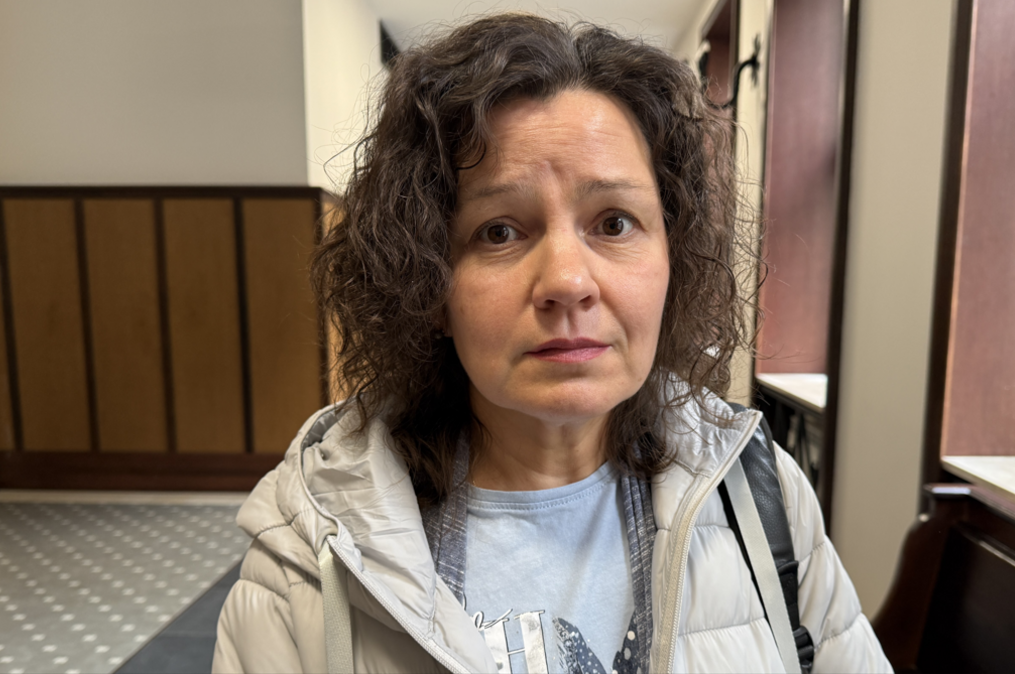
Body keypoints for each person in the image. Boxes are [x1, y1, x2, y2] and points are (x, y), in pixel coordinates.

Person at [213, 13, 891, 674]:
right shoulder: (307, 557)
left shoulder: (760, 497)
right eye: (499, 231)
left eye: (615, 222)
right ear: (429, 285)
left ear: (673, 260)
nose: (567, 281)